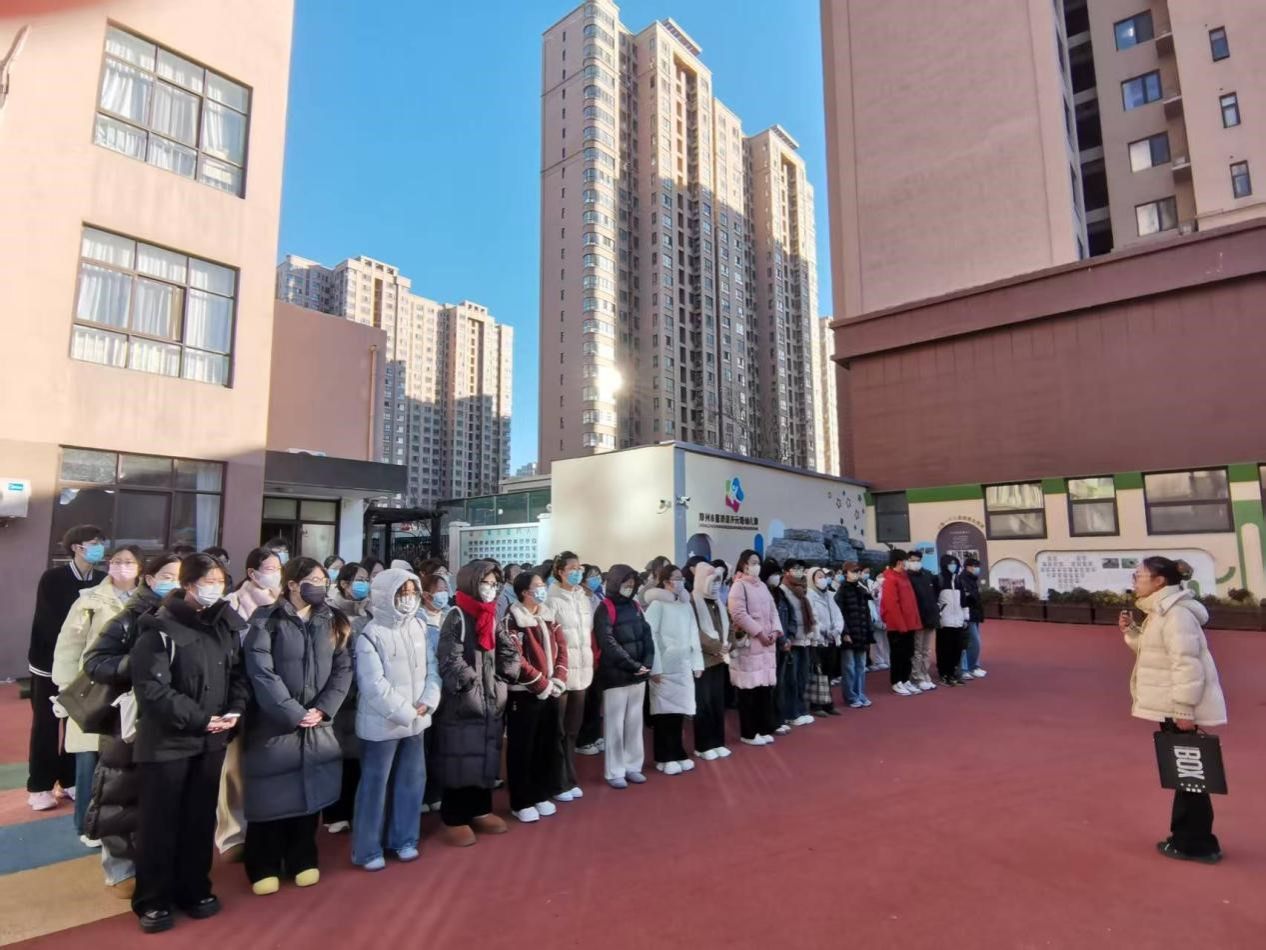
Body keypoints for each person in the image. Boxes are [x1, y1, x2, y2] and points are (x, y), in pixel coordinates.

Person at [129, 553, 249, 933]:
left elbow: (238, 674)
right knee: (159, 823)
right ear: (188, 584)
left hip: (211, 740)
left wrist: (234, 710)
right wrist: (200, 718)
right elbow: (152, 689)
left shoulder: (225, 624)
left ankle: (195, 888)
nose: (216, 588)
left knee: (199, 820)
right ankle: (153, 900)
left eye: (220, 581)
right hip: (167, 742)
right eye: (208, 581)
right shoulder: (158, 627)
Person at [241, 558, 352, 895]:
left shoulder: (332, 619)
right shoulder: (266, 619)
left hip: (317, 722)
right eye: (313, 580)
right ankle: (263, 863)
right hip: (274, 724)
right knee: (271, 796)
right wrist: (291, 711)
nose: (320, 585)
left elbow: (343, 668)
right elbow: (260, 671)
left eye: (323, 580)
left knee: (310, 794)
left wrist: (324, 708)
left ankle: (302, 857)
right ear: (292, 584)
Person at [81, 551, 180, 897]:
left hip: (169, 718)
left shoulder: (187, 616)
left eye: (180, 576)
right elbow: (94, 662)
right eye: (168, 576)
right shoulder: (129, 618)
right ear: (150, 579)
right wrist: (137, 663)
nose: (175, 582)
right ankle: (120, 869)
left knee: (160, 797)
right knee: (120, 792)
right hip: (127, 720)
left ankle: (158, 864)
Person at [1121, 556, 1227, 864]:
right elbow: (1156, 653)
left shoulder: (1176, 615)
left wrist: (1184, 710)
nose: (1134, 581)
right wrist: (1132, 633)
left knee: (1189, 776)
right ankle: (1187, 838)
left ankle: (1195, 843)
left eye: (1139, 576)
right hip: (1173, 707)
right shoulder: (1160, 612)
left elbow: (1187, 665)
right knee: (1185, 775)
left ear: (1159, 581)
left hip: (1179, 708)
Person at [52, 543, 142, 843]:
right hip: (94, 687)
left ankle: (117, 824)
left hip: (132, 688)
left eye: (129, 562)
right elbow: (69, 645)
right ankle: (86, 824)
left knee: (121, 759)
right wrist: (64, 687)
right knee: (89, 760)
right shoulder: (88, 599)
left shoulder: (151, 600)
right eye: (117, 561)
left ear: (141, 568)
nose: (122, 567)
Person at [352, 568, 440, 870]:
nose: (409, 599)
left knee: (411, 782)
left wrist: (428, 701)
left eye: (413, 593)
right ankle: (368, 849)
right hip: (381, 724)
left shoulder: (419, 626)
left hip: (417, 720)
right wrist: (405, 711)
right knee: (375, 787)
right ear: (385, 596)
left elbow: (432, 668)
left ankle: (404, 839)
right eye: (403, 593)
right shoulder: (371, 633)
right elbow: (373, 684)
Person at [433, 561, 520, 846]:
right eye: (485, 583)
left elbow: (508, 650)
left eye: (494, 584)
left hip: (490, 699)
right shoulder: (456, 615)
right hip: (463, 702)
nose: (490, 589)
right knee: (459, 758)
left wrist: (504, 677)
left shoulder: (491, 615)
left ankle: (480, 809)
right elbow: (450, 658)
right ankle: (454, 817)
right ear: (472, 583)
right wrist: (472, 685)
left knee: (485, 756)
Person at [27, 524, 106, 812]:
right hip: (49, 665)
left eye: (101, 542)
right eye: (93, 542)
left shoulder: (103, 580)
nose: (99, 547)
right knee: (46, 725)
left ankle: (70, 779)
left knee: (78, 724)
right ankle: (40, 786)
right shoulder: (53, 579)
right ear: (76, 547)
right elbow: (50, 624)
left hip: (85, 667)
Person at [215, 547, 283, 859]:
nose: (275, 573)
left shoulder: (283, 603)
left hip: (277, 693)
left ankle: (268, 824)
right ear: (252, 573)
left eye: (278, 568)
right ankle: (232, 834)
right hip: (242, 691)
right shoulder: (232, 604)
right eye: (269, 568)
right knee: (234, 765)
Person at [504, 571, 568, 822]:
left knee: (546, 744)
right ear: (524, 592)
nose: (543, 589)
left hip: (551, 690)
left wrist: (558, 679)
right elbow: (515, 658)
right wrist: (540, 684)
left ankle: (541, 793)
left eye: (543, 585)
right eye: (538, 586)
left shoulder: (548, 615)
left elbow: (562, 648)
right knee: (523, 748)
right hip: (525, 693)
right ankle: (521, 801)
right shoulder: (513, 619)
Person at [594, 564, 654, 789]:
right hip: (616, 675)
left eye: (632, 584)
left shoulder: (636, 605)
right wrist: (632, 665)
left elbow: (647, 635)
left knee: (635, 722)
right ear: (615, 583)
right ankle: (615, 771)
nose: (629, 587)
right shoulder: (604, 608)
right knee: (615, 725)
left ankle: (633, 766)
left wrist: (647, 663)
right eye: (625, 584)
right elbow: (607, 642)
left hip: (638, 674)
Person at [324, 562, 372, 833]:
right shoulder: (331, 613)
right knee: (335, 754)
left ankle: (354, 809)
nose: (364, 584)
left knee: (357, 755)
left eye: (366, 579)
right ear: (343, 584)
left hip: (363, 694)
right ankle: (334, 813)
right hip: (338, 693)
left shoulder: (369, 612)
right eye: (359, 579)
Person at [643, 565, 703, 775]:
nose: (681, 581)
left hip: (683, 665)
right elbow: (649, 636)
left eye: (681, 578)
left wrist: (697, 662)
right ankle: (664, 756)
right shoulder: (657, 605)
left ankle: (678, 752)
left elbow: (693, 633)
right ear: (666, 580)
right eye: (676, 578)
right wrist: (655, 667)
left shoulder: (685, 605)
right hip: (664, 668)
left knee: (679, 714)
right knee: (664, 714)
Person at [545, 551, 594, 801]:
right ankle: (557, 781)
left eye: (579, 568)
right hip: (561, 673)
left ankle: (570, 776)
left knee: (573, 729)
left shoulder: (583, 598)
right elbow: (550, 638)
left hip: (582, 672)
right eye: (572, 568)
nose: (577, 572)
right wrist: (555, 670)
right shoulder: (552, 599)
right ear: (560, 571)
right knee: (558, 730)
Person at [728, 550, 781, 746]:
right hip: (751, 645)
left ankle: (762, 728)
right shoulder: (739, 586)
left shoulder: (762, 586)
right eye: (753, 562)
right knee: (748, 691)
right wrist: (759, 632)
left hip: (766, 646)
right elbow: (738, 614)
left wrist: (775, 631)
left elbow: (773, 611)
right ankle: (748, 733)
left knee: (763, 690)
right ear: (744, 565)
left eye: (758, 562)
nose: (756, 565)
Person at [690, 560, 731, 759]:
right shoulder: (692, 602)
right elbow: (694, 631)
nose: (716, 586)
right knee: (703, 702)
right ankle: (703, 745)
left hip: (720, 659)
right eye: (712, 581)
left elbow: (728, 625)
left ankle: (718, 741)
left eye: (718, 582)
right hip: (702, 660)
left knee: (717, 702)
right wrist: (715, 646)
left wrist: (729, 643)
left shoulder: (718, 603)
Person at [776, 558, 816, 728]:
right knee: (790, 679)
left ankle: (800, 709)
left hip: (804, 639)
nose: (799, 571)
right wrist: (787, 638)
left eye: (801, 568)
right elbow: (786, 617)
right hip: (792, 640)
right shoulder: (783, 590)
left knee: (802, 678)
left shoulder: (802, 589)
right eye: (795, 568)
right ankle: (790, 713)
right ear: (786, 571)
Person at [879, 550, 922, 697]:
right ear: (899, 562)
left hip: (909, 624)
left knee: (908, 653)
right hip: (897, 626)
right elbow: (892, 605)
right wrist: (901, 625)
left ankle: (905, 679)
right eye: (906, 560)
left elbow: (911, 602)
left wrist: (914, 622)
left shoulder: (904, 576)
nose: (908, 563)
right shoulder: (890, 578)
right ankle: (896, 681)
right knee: (898, 654)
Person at [575, 564, 606, 757]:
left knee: (596, 698)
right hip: (584, 651)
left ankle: (594, 735)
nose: (596, 579)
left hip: (598, 652)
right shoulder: (578, 599)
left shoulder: (597, 598)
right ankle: (583, 740)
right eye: (592, 576)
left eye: (598, 575)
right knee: (585, 701)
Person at [834, 562, 874, 708]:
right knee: (849, 667)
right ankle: (850, 696)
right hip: (849, 634)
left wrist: (869, 631)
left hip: (862, 633)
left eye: (858, 571)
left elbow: (867, 612)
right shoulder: (842, 591)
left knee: (861, 666)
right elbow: (839, 614)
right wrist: (844, 632)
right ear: (846, 573)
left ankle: (860, 693)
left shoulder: (861, 589)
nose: (856, 574)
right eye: (853, 571)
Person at [805, 566, 844, 716]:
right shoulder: (809, 595)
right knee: (818, 673)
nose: (823, 580)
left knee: (828, 672)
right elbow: (813, 617)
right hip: (819, 640)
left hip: (832, 639)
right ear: (812, 579)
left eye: (824, 576)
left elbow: (838, 615)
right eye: (819, 577)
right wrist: (825, 630)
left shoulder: (830, 595)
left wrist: (837, 630)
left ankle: (828, 703)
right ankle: (816, 705)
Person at [905, 552, 940, 693]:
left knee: (926, 650)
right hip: (917, 619)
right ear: (908, 561)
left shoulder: (927, 575)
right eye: (912, 560)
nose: (915, 563)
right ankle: (917, 677)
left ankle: (925, 674)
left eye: (918, 560)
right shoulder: (906, 576)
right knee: (917, 650)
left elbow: (934, 594)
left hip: (930, 617)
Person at [935, 555, 969, 687]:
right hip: (945, 621)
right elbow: (934, 600)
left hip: (958, 621)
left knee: (957, 648)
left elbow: (964, 602)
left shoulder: (959, 580)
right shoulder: (939, 579)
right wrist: (939, 616)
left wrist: (965, 617)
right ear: (944, 565)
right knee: (944, 649)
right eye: (950, 563)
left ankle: (953, 673)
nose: (953, 566)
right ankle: (944, 674)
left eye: (955, 563)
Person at [959, 557, 988, 680]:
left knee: (974, 642)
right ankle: (968, 667)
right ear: (968, 567)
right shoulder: (963, 579)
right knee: (974, 642)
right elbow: (968, 597)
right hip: (968, 615)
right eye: (975, 566)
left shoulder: (972, 579)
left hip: (975, 614)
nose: (977, 569)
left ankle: (974, 665)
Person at [862, 565, 889, 672]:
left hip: (887, 616)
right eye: (879, 576)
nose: (882, 578)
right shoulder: (874, 586)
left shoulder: (888, 586)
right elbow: (873, 600)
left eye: (883, 576)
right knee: (878, 640)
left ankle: (887, 659)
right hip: (876, 616)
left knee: (887, 640)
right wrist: (875, 594)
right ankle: (879, 660)